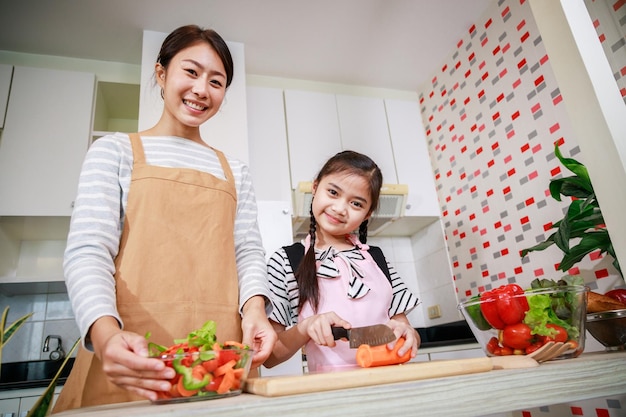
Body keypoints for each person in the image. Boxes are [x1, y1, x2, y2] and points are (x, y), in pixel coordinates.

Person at [53, 25, 277, 411]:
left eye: (217, 81)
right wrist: (105, 336)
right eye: (190, 72)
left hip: (218, 360)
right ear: (161, 73)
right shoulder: (114, 152)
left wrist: (255, 309)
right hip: (131, 357)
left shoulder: (235, 171)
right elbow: (89, 251)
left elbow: (248, 251)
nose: (202, 90)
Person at [264, 151, 420, 373]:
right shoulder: (287, 261)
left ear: (367, 214)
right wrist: (306, 327)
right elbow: (270, 356)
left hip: (392, 383)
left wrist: (409, 334)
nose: (339, 208)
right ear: (315, 187)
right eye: (333, 192)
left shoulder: (377, 258)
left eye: (356, 203)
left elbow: (406, 331)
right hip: (330, 393)